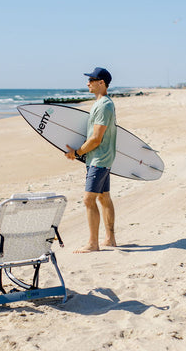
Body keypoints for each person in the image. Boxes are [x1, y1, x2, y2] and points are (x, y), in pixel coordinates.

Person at [65, 67, 117, 253]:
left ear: (101, 83)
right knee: (104, 197)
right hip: (100, 158)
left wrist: (77, 153)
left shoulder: (104, 105)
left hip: (99, 159)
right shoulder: (101, 104)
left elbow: (96, 138)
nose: (88, 83)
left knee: (89, 200)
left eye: (92, 79)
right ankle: (110, 239)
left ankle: (93, 244)